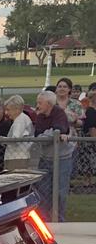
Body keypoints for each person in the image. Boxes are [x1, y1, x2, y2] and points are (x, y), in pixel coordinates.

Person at [34, 90, 74, 220]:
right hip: (45, 158)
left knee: (60, 192)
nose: (37, 105)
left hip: (62, 159)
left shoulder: (59, 113)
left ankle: (59, 220)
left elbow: (59, 130)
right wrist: (50, 135)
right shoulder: (40, 116)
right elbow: (38, 136)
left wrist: (48, 136)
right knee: (43, 191)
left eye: (40, 103)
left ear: (49, 104)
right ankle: (44, 220)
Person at [3, 95, 34, 171]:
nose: (6, 113)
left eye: (8, 110)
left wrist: (1, 139)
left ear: (17, 109)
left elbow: (15, 139)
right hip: (19, 156)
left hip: (17, 158)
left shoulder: (20, 121)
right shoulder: (22, 118)